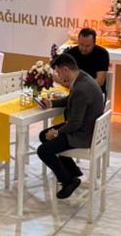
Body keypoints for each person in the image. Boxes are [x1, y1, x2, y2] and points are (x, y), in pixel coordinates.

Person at [37, 51, 105, 200]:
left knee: (43, 150)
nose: (58, 76)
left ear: (65, 70)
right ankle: (73, 171)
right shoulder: (82, 77)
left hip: (83, 133)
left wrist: (56, 132)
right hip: (87, 126)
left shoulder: (81, 89)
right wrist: (52, 103)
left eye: (58, 72)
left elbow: (75, 123)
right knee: (43, 136)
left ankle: (68, 181)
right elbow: (71, 99)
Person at [65, 27, 109, 94]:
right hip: (75, 92)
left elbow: (100, 81)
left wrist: (78, 86)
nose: (83, 48)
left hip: (95, 93)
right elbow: (58, 75)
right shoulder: (71, 53)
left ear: (94, 44)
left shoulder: (102, 54)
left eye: (87, 46)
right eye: (81, 45)